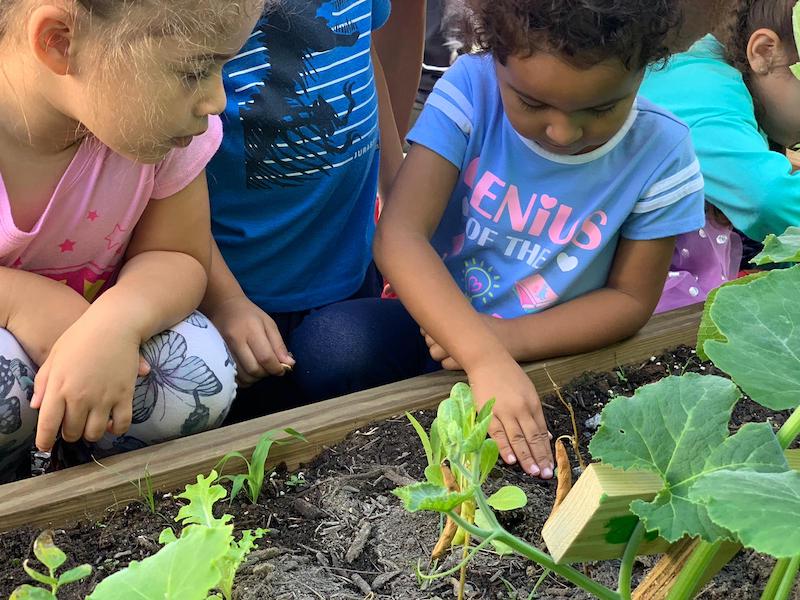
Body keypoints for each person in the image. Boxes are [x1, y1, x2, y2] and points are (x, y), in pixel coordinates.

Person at [373, 0, 706, 479]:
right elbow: (399, 237)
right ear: (494, 55)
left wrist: (505, 341)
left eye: (602, 108)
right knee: (336, 347)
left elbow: (630, 299)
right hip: (433, 327)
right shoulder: (471, 89)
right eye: (531, 103)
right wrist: (481, 354)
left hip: (551, 348)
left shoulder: (662, 154)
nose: (563, 131)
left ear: (645, 68)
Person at [0, 0, 262, 481]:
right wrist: (20, 302)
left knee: (195, 371)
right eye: (193, 71)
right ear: (59, 41)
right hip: (18, 374)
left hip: (108, 361)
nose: (218, 100)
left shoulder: (154, 137)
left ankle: (103, 487)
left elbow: (177, 255)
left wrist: (117, 323)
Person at [202, 0, 421, 419]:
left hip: (348, 266)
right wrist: (221, 298)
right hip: (240, 296)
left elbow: (363, 53)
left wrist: (396, 194)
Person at [641, 0, 800, 311]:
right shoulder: (708, 93)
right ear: (764, 52)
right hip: (620, 280)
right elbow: (767, 199)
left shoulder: (704, 62)